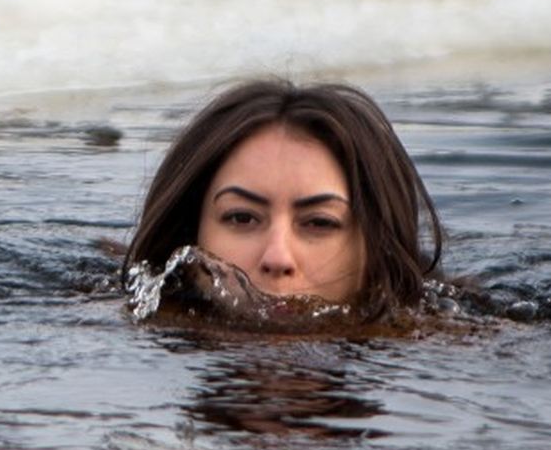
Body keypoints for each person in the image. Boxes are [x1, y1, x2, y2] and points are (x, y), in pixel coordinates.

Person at [123, 78, 443, 321]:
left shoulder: (444, 338)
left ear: (377, 249)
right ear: (190, 233)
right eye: (242, 218)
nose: (277, 259)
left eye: (319, 222)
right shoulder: (129, 319)